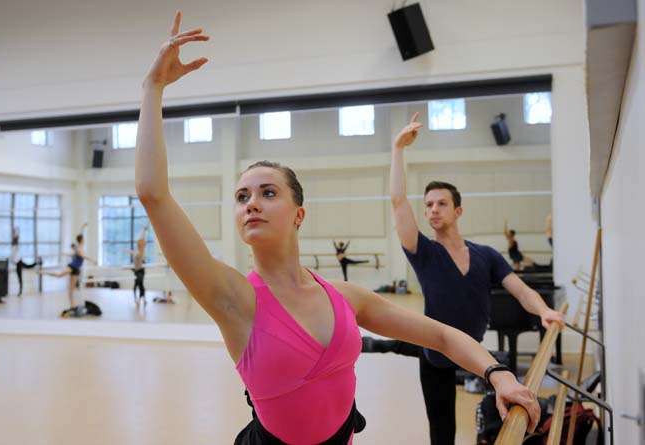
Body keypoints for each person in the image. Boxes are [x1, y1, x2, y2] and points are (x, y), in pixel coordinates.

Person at [134, 12, 541, 444]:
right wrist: (152, 88)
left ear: (298, 214)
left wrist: (498, 374)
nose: (251, 202)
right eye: (241, 197)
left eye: (268, 193)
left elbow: (440, 334)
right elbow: (153, 193)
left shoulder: (344, 298)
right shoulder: (233, 299)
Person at [361, 113, 565, 445]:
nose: (432, 210)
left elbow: (520, 289)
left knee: (411, 343)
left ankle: (383, 344)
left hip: (471, 348)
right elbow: (398, 201)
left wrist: (544, 312)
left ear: (458, 211)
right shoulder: (423, 251)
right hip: (437, 357)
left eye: (441, 203)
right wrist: (398, 149)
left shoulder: (487, 255)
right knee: (443, 433)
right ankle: (380, 344)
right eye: (428, 205)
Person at [39, 223, 95, 309]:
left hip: (76, 269)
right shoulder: (79, 248)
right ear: (81, 240)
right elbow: (83, 256)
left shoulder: (80, 246)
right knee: (59, 275)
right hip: (72, 266)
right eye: (83, 239)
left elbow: (80, 235)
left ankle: (72, 304)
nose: (84, 240)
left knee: (72, 288)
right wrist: (92, 260)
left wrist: (83, 227)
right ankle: (44, 272)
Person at [124, 225, 148, 307]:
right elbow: (133, 252)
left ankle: (141, 299)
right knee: (138, 285)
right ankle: (139, 299)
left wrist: (144, 230)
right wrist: (127, 251)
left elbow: (142, 238)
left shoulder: (142, 252)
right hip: (136, 271)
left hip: (140, 271)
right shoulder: (137, 251)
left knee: (139, 284)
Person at [11, 227, 38, 296]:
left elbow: (16, 238)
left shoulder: (15, 246)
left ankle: (37, 263)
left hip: (18, 262)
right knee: (27, 267)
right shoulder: (14, 247)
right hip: (17, 262)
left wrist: (16, 232)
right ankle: (37, 263)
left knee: (27, 267)